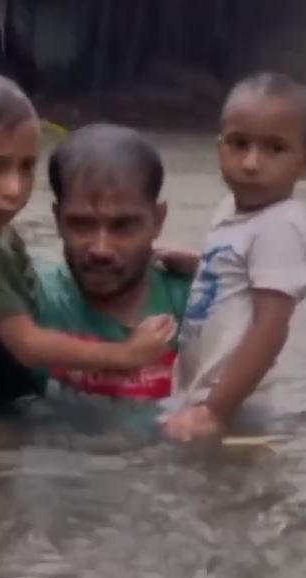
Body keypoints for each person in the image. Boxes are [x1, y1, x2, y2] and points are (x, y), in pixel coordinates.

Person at [0, 71, 175, 410]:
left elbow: (28, 290)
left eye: (25, 167)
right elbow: (28, 345)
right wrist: (126, 354)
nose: (15, 188)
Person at [162, 73, 306, 441]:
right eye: (239, 144)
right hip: (206, 394)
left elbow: (271, 328)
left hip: (235, 402)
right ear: (220, 147)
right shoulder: (233, 209)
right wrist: (199, 263)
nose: (251, 163)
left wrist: (217, 411)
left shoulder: (280, 226)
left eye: (274, 148)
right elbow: (238, 273)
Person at [31, 124, 192, 416]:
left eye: (123, 226)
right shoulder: (31, 299)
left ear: (158, 220)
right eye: (81, 224)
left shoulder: (194, 301)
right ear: (57, 220)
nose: (101, 249)